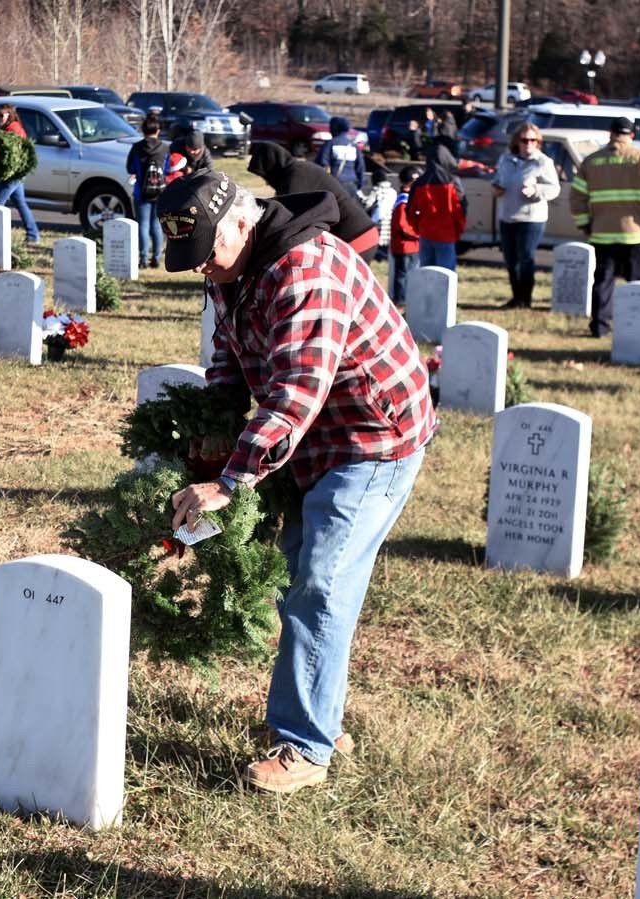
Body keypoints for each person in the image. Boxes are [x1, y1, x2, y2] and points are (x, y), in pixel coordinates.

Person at [158, 170, 435, 794]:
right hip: (314, 440)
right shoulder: (233, 269)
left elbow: (293, 397)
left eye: (208, 252)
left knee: (320, 582)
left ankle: (306, 747)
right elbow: (230, 355)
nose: (205, 270)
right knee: (295, 573)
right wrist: (214, 426)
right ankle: (319, 714)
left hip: (372, 435)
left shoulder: (305, 270)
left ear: (239, 222)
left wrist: (228, 485)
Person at [571, 117, 640, 337]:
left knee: (603, 283)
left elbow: (577, 197)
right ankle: (635, 328)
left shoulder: (591, 162)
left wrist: (585, 223)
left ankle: (599, 327)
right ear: (631, 135)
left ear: (611, 133)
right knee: (637, 287)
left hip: (602, 234)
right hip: (637, 235)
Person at [246, 141, 380, 262]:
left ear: (271, 166)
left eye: (264, 175)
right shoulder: (299, 170)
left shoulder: (295, 175)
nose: (266, 181)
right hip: (364, 234)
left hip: (354, 237)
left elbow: (285, 221)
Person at [491, 123, 560, 308]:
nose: (528, 143)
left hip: (531, 218)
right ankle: (516, 297)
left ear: (538, 142)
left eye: (533, 140)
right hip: (507, 216)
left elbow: (554, 188)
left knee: (526, 257)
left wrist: (536, 189)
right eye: (524, 140)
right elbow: (497, 180)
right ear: (517, 141)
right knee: (510, 260)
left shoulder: (543, 162)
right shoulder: (506, 159)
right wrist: (496, 188)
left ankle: (525, 299)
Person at [0, 104, 39, 243]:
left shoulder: (12, 129)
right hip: (18, 173)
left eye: (1, 115)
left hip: (12, 174)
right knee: (20, 203)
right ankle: (33, 235)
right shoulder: (10, 127)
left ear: (9, 115)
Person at [406, 143, 466, 269]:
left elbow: (410, 211)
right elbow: (460, 208)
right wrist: (458, 229)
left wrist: (419, 228)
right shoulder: (453, 181)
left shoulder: (419, 183)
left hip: (426, 233)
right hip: (446, 234)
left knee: (425, 273)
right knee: (446, 275)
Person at [128, 114, 170, 268]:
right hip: (160, 191)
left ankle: (143, 258)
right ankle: (156, 258)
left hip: (141, 192)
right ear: (158, 130)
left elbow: (130, 168)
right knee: (157, 225)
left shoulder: (137, 148)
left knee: (143, 225)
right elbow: (168, 168)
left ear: (143, 130)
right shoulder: (165, 148)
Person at [388, 167, 421, 304]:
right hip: (405, 244)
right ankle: (400, 299)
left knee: (409, 274)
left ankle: (406, 297)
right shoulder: (403, 202)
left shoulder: (408, 199)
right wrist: (416, 234)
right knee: (403, 274)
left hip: (411, 244)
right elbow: (402, 225)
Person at [314, 116, 365, 197]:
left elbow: (322, 163)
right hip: (351, 185)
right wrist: (360, 185)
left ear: (334, 128)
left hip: (335, 184)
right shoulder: (353, 146)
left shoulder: (330, 144)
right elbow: (360, 167)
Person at [363, 166, 397, 260]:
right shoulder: (392, 191)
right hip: (389, 218)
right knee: (386, 240)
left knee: (377, 239)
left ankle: (378, 256)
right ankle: (385, 256)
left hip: (377, 219)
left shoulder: (377, 190)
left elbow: (367, 203)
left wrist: (360, 195)